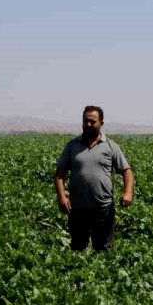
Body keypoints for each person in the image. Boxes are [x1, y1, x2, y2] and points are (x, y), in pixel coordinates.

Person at [53, 105, 134, 251]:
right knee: (77, 248)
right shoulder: (72, 146)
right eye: (85, 121)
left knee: (103, 249)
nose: (88, 124)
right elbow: (59, 174)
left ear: (101, 124)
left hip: (103, 208)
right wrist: (61, 198)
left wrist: (128, 193)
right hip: (77, 208)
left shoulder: (110, 146)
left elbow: (127, 171)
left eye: (92, 121)